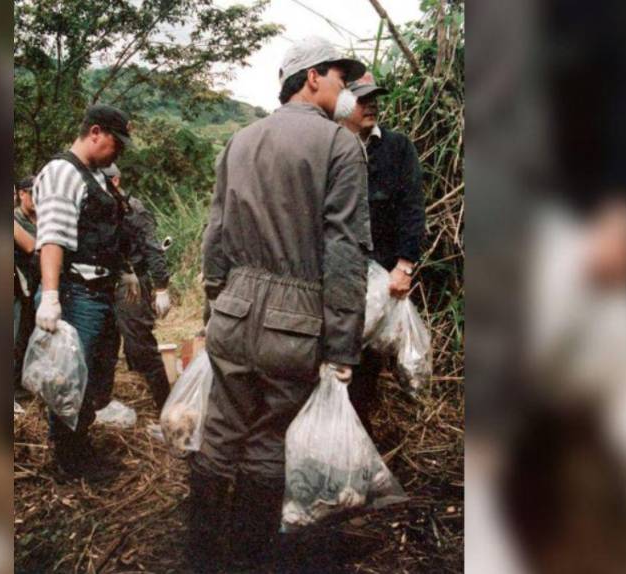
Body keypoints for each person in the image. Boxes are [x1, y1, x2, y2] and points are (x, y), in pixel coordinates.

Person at [190, 36, 370, 571]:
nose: (347, 89)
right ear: (311, 77)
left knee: (219, 434)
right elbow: (344, 253)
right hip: (294, 320)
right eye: (341, 77)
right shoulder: (341, 146)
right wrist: (342, 346)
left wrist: (215, 309)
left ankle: (201, 557)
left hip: (234, 307)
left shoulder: (239, 141)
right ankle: (247, 561)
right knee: (270, 444)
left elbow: (214, 235)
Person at [32, 104, 138, 480]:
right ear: (95, 132)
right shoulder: (64, 173)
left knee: (94, 372)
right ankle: (69, 459)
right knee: (70, 377)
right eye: (116, 143)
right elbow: (52, 239)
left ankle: (81, 446)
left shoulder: (95, 177)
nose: (119, 153)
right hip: (77, 292)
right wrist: (50, 296)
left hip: (100, 289)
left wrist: (123, 273)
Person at [338, 72, 425, 434]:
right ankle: (331, 436)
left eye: (375, 97)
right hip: (338, 275)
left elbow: (412, 208)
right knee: (335, 357)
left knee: (368, 363)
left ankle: (360, 438)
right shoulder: (329, 145)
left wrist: (404, 266)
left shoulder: (396, 148)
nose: (372, 104)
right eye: (362, 98)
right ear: (343, 104)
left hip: (382, 278)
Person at [103, 164, 173, 413]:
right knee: (105, 345)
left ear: (117, 180)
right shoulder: (96, 207)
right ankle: (103, 402)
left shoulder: (135, 209)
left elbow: (153, 249)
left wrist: (161, 286)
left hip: (132, 281)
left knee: (140, 346)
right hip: (105, 281)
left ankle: (165, 406)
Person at [13, 176, 37, 396]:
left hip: (38, 287)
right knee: (17, 336)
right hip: (19, 288)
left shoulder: (44, 218)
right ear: (22, 194)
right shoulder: (15, 220)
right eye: (32, 192)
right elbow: (30, 247)